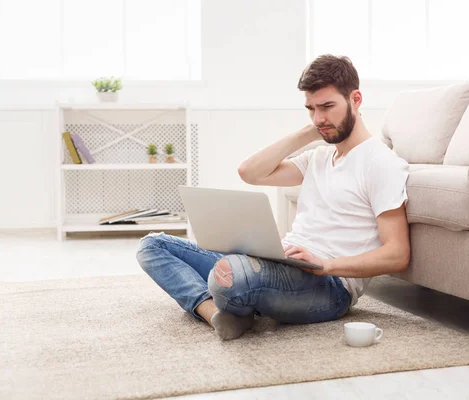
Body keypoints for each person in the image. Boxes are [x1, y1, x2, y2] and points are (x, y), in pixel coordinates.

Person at [136, 54, 410, 341]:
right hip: (283, 262)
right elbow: (249, 172)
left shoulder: (381, 162)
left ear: (355, 99)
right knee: (153, 246)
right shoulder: (319, 156)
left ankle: (235, 297)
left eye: (327, 106)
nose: (319, 118)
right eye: (311, 109)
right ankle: (214, 314)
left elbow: (398, 254)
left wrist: (326, 265)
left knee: (230, 275)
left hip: (329, 285)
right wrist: (309, 133)